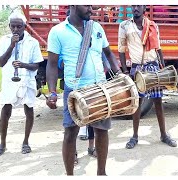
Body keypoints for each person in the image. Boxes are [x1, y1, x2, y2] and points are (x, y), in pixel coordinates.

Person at [46, 5, 120, 175]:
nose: (91, 9)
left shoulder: (96, 27)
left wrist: (119, 75)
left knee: (102, 132)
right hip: (75, 92)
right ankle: (70, 175)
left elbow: (108, 53)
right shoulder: (57, 32)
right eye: (87, 5)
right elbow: (51, 64)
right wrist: (52, 92)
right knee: (70, 134)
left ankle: (101, 173)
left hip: (100, 89)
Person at [118, 5, 177, 149]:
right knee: (137, 103)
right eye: (134, 6)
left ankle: (164, 135)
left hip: (153, 66)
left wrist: (163, 67)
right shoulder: (124, 26)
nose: (136, 8)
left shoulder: (153, 25)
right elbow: (121, 49)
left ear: (144, 8)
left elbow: (158, 48)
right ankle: (135, 136)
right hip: (137, 68)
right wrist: (126, 71)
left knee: (158, 102)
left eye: (139, 5)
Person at [0, 10, 44, 157]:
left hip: (26, 80)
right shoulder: (4, 40)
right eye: (13, 26)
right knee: (5, 110)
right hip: (10, 81)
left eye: (19, 26)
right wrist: (11, 46)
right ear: (9, 26)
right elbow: (1, 63)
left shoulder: (32, 42)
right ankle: (2, 143)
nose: (15, 29)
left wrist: (23, 65)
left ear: (25, 26)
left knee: (29, 110)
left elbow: (36, 65)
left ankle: (26, 142)